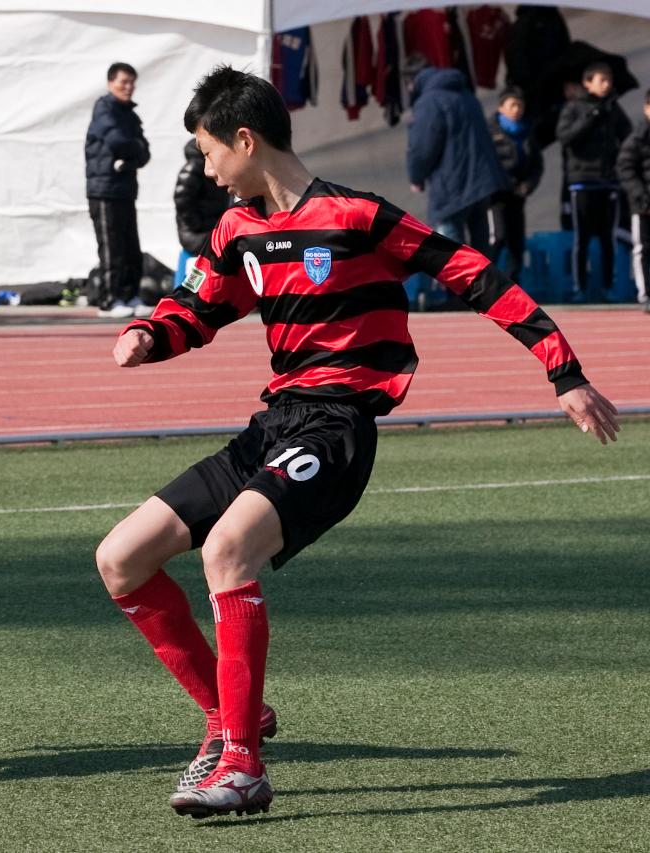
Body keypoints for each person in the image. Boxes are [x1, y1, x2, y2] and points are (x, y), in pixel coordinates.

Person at [98, 65, 619, 820]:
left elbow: (473, 275)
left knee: (226, 552)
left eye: (210, 151)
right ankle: (232, 713)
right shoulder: (238, 228)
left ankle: (241, 763)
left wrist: (563, 371)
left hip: (338, 428)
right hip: (273, 424)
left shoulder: (356, 217)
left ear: (246, 140)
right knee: (120, 558)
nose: (206, 167)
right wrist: (149, 332)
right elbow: (199, 306)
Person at [406, 58, 508, 257]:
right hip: (481, 184)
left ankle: (461, 289)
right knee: (481, 253)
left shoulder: (429, 102)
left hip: (451, 186)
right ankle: (482, 287)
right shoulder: (466, 94)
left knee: (451, 257)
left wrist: (416, 177)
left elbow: (422, 147)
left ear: (412, 82)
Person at [558, 62, 633, 302]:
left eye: (608, 80)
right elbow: (566, 137)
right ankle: (580, 288)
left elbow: (628, 137)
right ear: (587, 83)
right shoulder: (574, 107)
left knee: (607, 238)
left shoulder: (613, 108)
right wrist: (591, 116)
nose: (605, 85)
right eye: (600, 80)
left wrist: (618, 164)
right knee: (582, 237)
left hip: (608, 182)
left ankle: (608, 287)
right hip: (582, 182)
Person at [85, 61, 151, 318]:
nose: (128, 87)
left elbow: (145, 152)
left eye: (132, 82)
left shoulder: (130, 114)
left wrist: (131, 157)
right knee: (111, 247)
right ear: (111, 83)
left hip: (125, 189)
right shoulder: (104, 108)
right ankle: (109, 300)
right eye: (124, 82)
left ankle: (129, 294)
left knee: (131, 246)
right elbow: (117, 141)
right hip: (103, 189)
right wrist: (132, 151)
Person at [486, 86, 543, 280]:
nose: (517, 109)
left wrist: (528, 185)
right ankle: (482, 282)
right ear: (501, 108)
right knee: (498, 237)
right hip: (495, 196)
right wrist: (500, 182)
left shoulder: (527, 132)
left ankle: (513, 285)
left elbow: (537, 165)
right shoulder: (489, 131)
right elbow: (485, 163)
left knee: (516, 242)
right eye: (512, 105)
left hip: (518, 195)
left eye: (520, 105)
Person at [173, 136, 235, 287]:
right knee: (200, 260)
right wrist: (196, 224)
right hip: (196, 231)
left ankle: (194, 291)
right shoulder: (195, 166)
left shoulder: (209, 166)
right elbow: (182, 199)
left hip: (207, 226)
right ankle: (184, 291)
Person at [616, 89, 650, 311]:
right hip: (644, 207)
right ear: (647, 108)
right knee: (643, 249)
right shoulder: (638, 137)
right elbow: (625, 168)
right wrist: (641, 196)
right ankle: (646, 295)